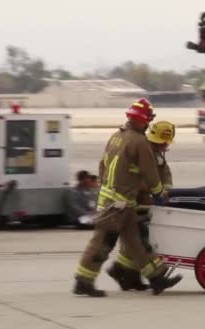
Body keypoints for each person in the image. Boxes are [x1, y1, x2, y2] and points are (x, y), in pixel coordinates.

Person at [73, 98, 182, 297]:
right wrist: (158, 193)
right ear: (143, 120)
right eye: (148, 120)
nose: (148, 123)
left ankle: (157, 278)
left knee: (136, 241)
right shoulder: (139, 142)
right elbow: (151, 174)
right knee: (103, 242)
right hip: (118, 202)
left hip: (118, 199)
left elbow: (102, 165)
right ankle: (83, 280)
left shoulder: (117, 136)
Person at [105, 120, 177, 292]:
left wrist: (165, 191)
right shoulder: (142, 151)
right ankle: (139, 275)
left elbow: (165, 176)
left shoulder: (157, 156)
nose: (164, 147)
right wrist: (156, 193)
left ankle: (127, 276)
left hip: (142, 203)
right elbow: (138, 179)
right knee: (139, 240)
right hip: (131, 201)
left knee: (135, 241)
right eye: (161, 143)